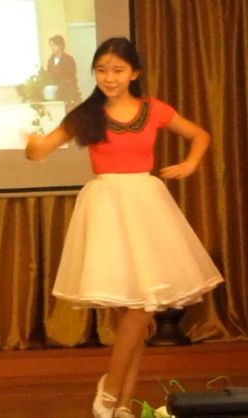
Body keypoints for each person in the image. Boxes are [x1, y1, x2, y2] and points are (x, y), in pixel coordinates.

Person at [26, 37, 223, 418]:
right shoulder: (86, 114)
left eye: (117, 70)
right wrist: (33, 146)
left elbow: (200, 135)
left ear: (134, 73)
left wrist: (190, 164)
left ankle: (115, 395)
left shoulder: (154, 109)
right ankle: (117, 398)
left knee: (142, 309)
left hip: (147, 207)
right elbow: (41, 151)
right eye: (102, 70)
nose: (109, 77)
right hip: (108, 209)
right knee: (134, 312)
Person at [46, 34, 82, 112]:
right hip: (55, 93)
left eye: (54, 45)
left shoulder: (69, 59)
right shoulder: (50, 61)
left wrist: (63, 84)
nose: (52, 48)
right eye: (51, 46)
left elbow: (72, 76)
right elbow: (48, 75)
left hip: (68, 92)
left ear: (61, 46)